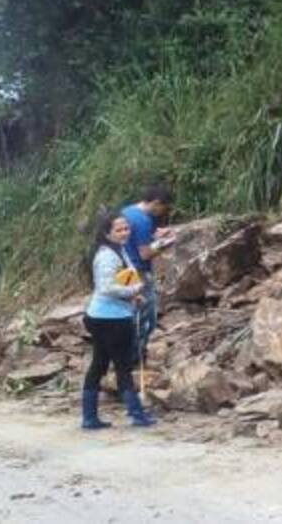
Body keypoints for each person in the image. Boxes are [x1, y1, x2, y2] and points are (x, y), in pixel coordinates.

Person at [80, 209, 156, 429]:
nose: (125, 232)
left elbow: (120, 280)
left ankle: (90, 417)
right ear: (107, 233)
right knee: (122, 366)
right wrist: (134, 290)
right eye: (119, 229)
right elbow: (106, 287)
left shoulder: (117, 250)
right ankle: (137, 415)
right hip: (111, 319)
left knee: (99, 365)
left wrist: (133, 294)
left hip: (104, 316)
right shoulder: (107, 256)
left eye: (126, 228)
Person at [121, 184, 175, 363]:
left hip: (123, 271)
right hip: (139, 272)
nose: (162, 213)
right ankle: (135, 358)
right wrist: (165, 244)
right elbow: (145, 253)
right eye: (163, 208)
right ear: (157, 203)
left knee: (131, 312)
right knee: (146, 316)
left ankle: (126, 355)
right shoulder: (143, 220)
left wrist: (157, 235)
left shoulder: (127, 211)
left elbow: (135, 237)